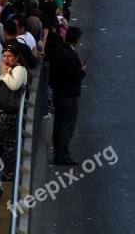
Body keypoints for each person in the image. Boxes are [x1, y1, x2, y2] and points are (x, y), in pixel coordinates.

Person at [49, 26, 86, 165]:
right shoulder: (71, 56)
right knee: (66, 126)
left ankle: (58, 151)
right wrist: (81, 71)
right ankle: (62, 154)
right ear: (76, 41)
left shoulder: (57, 51)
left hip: (58, 93)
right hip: (69, 95)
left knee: (58, 124)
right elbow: (74, 76)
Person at [0, 44, 28, 180]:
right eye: (4, 56)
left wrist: (4, 72)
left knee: (8, 144)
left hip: (9, 113)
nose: (6, 59)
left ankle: (9, 172)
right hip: (2, 112)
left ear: (16, 57)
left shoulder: (18, 69)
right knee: (4, 143)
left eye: (9, 56)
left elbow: (14, 86)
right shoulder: (10, 70)